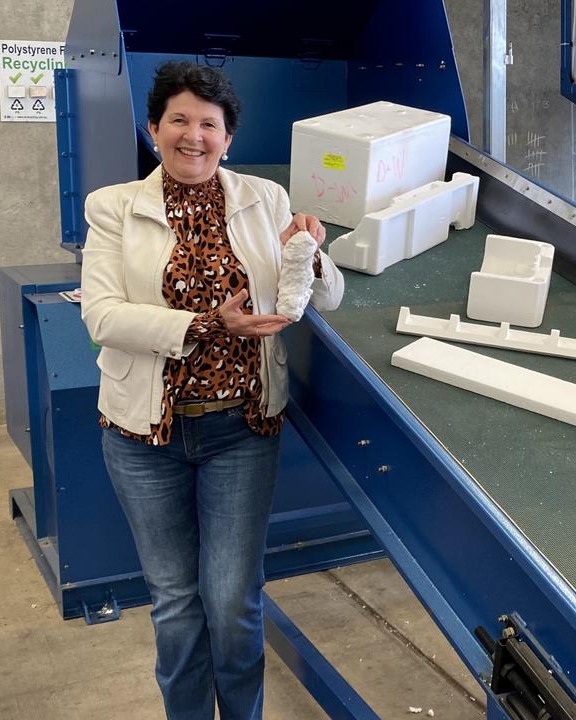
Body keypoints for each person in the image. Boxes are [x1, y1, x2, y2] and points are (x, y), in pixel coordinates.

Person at [80, 60, 344, 720]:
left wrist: (310, 249)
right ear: (153, 128)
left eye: (209, 123)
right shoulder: (114, 207)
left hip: (240, 432)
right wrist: (205, 324)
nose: (193, 136)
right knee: (174, 602)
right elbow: (102, 315)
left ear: (228, 138)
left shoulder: (266, 199)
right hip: (145, 438)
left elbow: (327, 295)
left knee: (231, 601)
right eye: (179, 120)